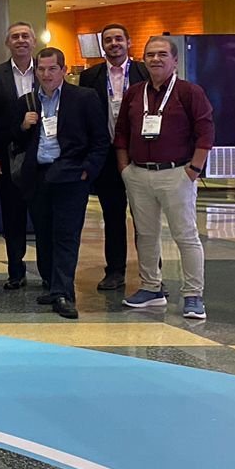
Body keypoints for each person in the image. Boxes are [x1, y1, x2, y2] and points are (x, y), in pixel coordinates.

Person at [114, 35, 215, 320]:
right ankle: (151, 288)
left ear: (175, 60)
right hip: (139, 173)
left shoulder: (189, 92)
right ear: (143, 60)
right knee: (146, 235)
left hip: (177, 173)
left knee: (185, 235)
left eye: (161, 54)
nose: (155, 59)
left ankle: (193, 294)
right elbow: (121, 133)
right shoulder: (135, 93)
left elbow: (206, 132)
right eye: (150, 55)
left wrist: (193, 170)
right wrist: (125, 169)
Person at [10, 47, 110, 320]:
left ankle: (64, 293)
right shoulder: (28, 101)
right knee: (43, 235)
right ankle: (53, 285)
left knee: (66, 236)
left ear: (63, 70)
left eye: (52, 69)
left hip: (71, 176)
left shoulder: (83, 98)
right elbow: (15, 140)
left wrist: (87, 171)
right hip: (38, 176)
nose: (46, 74)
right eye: (41, 69)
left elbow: (100, 140)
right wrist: (22, 126)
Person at [78, 23, 150, 291]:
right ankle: (115, 271)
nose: (114, 44)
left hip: (141, 154)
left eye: (119, 38)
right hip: (107, 155)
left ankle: (151, 273)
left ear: (129, 42)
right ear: (103, 46)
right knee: (112, 215)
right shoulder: (90, 77)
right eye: (108, 40)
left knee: (146, 217)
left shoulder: (144, 72)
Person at [0, 22, 39, 290]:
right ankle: (16, 271)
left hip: (43, 156)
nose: (20, 40)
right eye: (15, 37)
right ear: (7, 43)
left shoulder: (47, 70)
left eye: (25, 36)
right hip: (7, 155)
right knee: (12, 216)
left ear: (34, 41)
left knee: (43, 216)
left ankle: (48, 271)